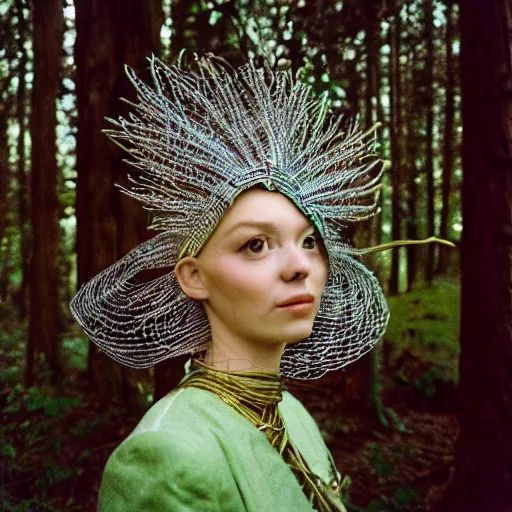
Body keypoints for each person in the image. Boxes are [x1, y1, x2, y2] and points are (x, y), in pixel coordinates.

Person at [71, 53, 451, 511]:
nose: (299, 266)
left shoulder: (293, 415)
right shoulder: (167, 455)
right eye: (256, 245)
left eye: (310, 242)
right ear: (194, 277)